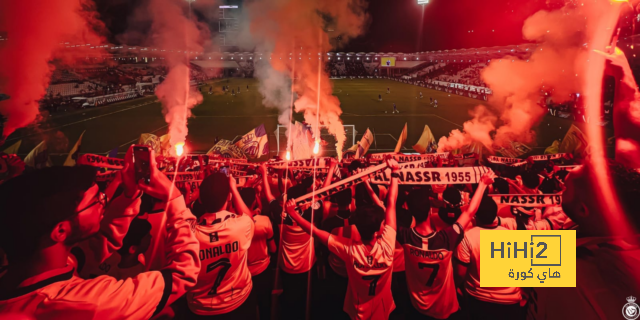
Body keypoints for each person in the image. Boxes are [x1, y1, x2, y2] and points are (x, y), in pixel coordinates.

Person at [0, 146, 200, 319]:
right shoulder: (86, 303)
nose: (103, 204)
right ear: (60, 230)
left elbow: (97, 245)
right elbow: (183, 273)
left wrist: (130, 195)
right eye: (97, 201)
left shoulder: (30, 269)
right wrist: (174, 199)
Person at [285, 158, 400, 320]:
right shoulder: (388, 245)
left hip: (357, 311)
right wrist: (395, 172)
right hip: (382, 308)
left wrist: (293, 214)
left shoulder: (349, 249)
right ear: (376, 232)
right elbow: (391, 203)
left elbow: (315, 231)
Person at [527, 161, 640, 319]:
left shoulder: (554, 258)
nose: (560, 190)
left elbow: (488, 259)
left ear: (582, 209)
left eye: (565, 188)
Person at [400, 173, 494, 319]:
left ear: (409, 210)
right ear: (430, 210)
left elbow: (389, 213)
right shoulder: (446, 239)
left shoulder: (405, 237)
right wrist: (482, 184)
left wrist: (394, 178)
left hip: (417, 307)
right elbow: (470, 212)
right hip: (445, 309)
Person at [186, 172, 257, 319]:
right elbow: (249, 217)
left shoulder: (189, 233)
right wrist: (234, 189)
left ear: (200, 199)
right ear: (228, 197)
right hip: (238, 301)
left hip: (201, 308)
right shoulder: (240, 226)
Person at [455, 196, 524, 320]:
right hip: (511, 301)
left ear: (475, 216)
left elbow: (460, 274)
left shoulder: (467, 237)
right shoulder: (511, 235)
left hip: (480, 299)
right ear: (495, 214)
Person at [242, 187, 276, 320]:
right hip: (263, 270)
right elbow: (273, 248)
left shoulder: (236, 222)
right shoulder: (264, 220)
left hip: (245, 273)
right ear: (254, 201)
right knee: (265, 305)